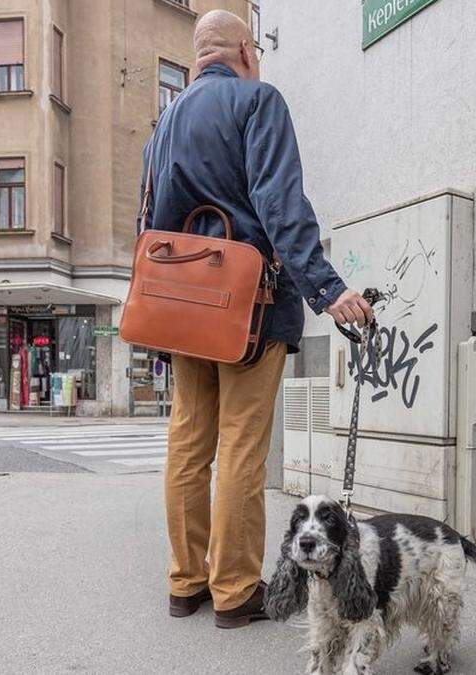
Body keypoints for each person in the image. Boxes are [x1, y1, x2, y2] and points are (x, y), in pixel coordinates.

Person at [139, 9, 375, 629]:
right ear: (246, 49)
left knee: (188, 447)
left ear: (197, 57)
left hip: (182, 311)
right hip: (249, 307)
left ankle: (185, 582)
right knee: (241, 448)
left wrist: (164, 317)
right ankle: (236, 590)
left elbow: (149, 224)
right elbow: (278, 201)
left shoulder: (162, 125)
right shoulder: (257, 101)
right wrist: (327, 288)